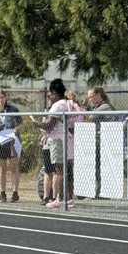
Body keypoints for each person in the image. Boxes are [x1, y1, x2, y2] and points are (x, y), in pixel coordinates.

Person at [30, 79, 83, 209]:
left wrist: (36, 124)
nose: (49, 96)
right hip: (67, 139)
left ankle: (59, 198)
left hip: (58, 140)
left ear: (56, 94)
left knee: (58, 170)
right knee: (66, 170)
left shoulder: (57, 105)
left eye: (50, 94)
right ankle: (68, 198)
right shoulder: (66, 103)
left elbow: (49, 126)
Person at [0, 89, 23, 203]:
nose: (0, 100)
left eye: (2, 97)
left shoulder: (13, 109)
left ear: (6, 98)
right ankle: (2, 193)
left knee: (14, 167)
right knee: (1, 168)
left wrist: (15, 130)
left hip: (13, 142)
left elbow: (21, 125)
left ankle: (15, 192)